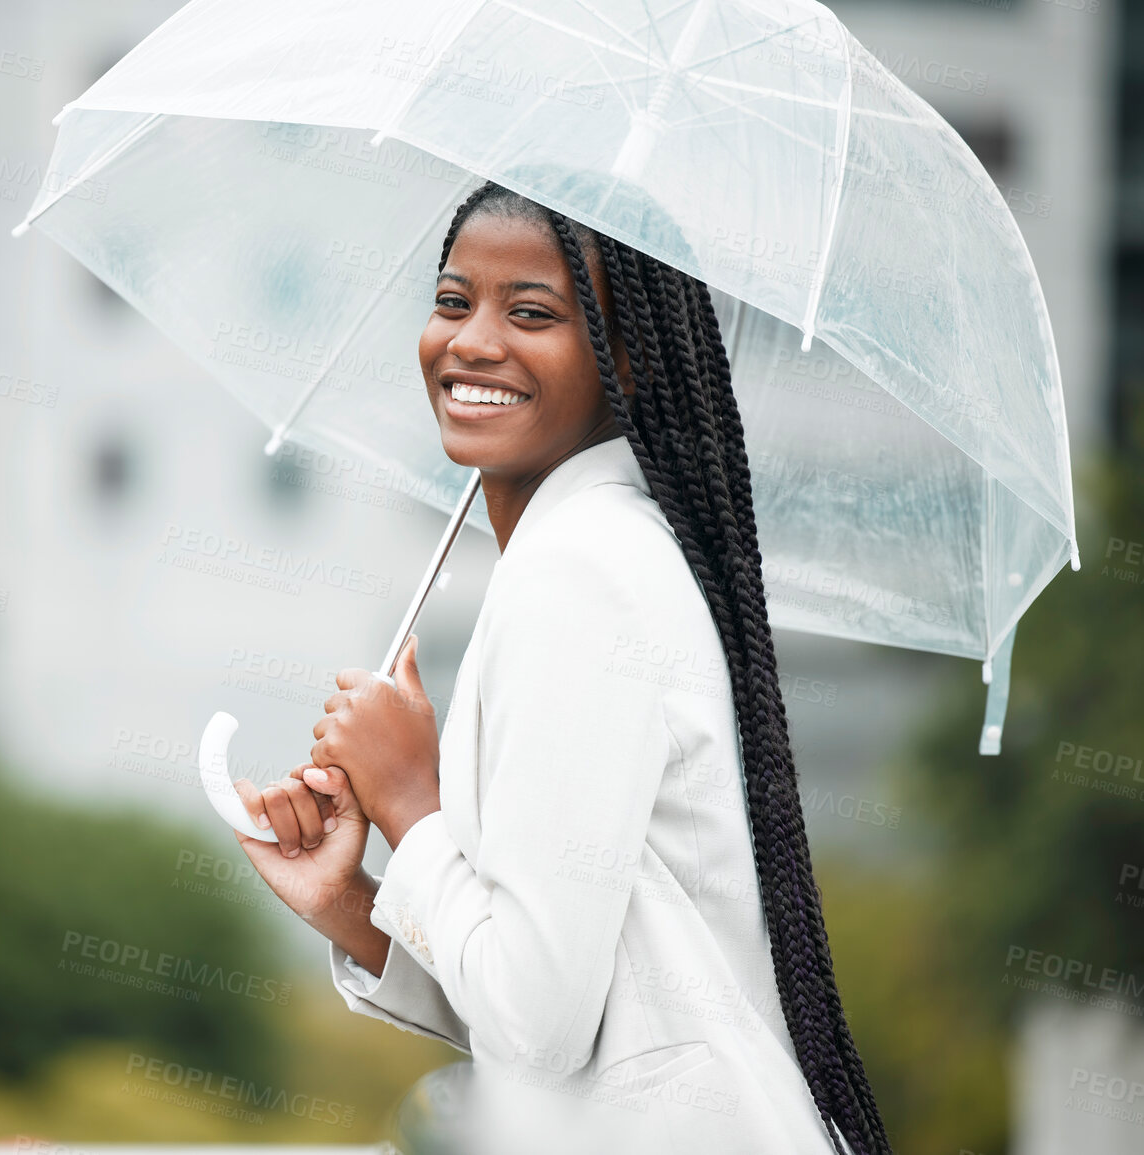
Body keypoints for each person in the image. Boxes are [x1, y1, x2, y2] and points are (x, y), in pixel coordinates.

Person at [232, 182, 889, 1155]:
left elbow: (539, 1031)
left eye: (530, 312)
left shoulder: (581, 574)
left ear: (628, 358)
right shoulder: (598, 553)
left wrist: (412, 800)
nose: (472, 342)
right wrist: (352, 902)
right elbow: (554, 1009)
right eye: (454, 301)